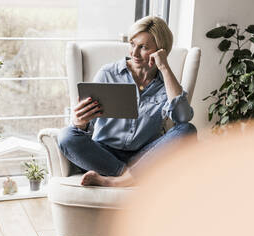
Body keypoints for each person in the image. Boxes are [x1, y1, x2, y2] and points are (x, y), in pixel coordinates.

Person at [58, 16, 196, 187]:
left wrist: (164, 67)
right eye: (132, 45)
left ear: (160, 50)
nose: (134, 53)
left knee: (188, 130)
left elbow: (182, 117)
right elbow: (85, 127)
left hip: (144, 155)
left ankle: (114, 181)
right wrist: (80, 123)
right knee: (66, 136)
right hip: (105, 154)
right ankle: (130, 176)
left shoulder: (166, 84)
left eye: (144, 47)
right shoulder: (108, 73)